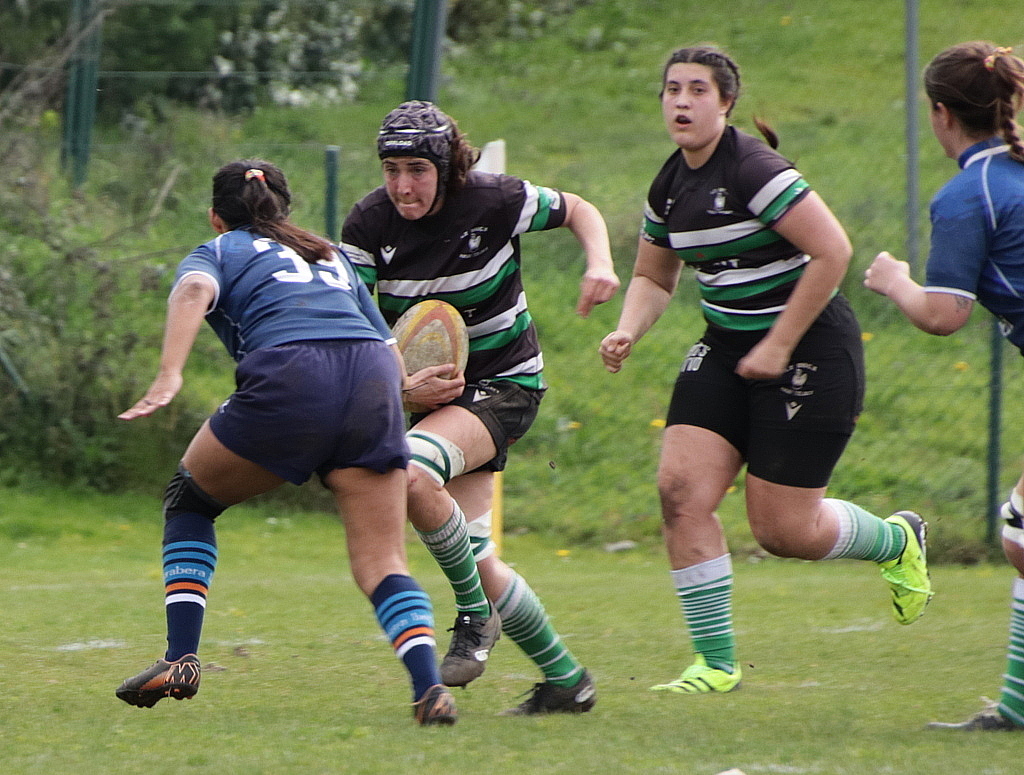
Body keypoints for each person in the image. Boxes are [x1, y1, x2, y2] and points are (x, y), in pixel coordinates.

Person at [599, 44, 934, 695]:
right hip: (727, 348)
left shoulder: (753, 168)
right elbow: (652, 273)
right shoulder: (669, 184)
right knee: (679, 491)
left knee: (784, 531)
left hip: (810, 351)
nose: (682, 101)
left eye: (698, 90)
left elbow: (833, 250)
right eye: (672, 89)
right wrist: (627, 329)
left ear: (727, 103)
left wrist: (780, 344)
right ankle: (716, 664)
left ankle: (896, 539)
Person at [113, 159, 457, 726]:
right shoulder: (329, 253)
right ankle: (428, 688)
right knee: (382, 560)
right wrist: (400, 392)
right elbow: (385, 347)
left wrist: (170, 371)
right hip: (372, 380)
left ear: (216, 218)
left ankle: (180, 660)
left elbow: (195, 288)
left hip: (292, 373)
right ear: (284, 209)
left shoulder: (220, 250)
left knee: (191, 500)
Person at [341, 100, 619, 714]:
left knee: (411, 469)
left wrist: (599, 263)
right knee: (473, 552)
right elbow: (359, 331)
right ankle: (568, 683)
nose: (403, 185)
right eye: (391, 170)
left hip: (507, 383)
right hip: (428, 398)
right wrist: (404, 391)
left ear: (444, 165)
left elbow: (579, 209)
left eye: (416, 168)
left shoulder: (492, 200)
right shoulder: (366, 224)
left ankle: (474, 617)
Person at [865, 41, 1024, 732]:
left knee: (1022, 530)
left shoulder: (970, 193)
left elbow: (943, 315)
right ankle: (1016, 707)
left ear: (939, 114)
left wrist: (894, 280)